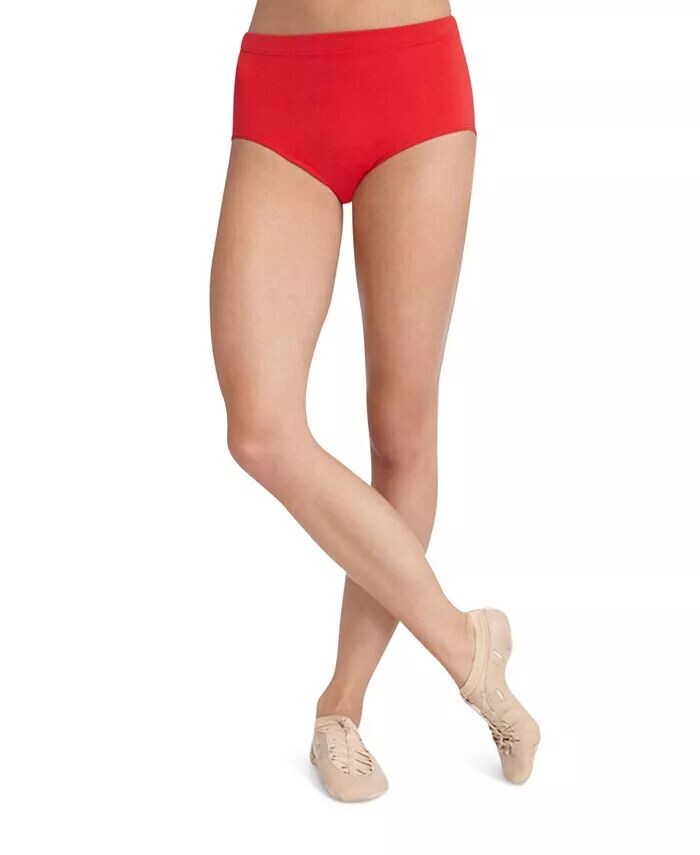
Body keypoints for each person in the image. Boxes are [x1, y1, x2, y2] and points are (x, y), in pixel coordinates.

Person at [210, 0, 539, 802]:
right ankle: (468, 646)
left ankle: (341, 708)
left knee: (401, 432)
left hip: (412, 78)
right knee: (259, 430)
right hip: (283, 86)